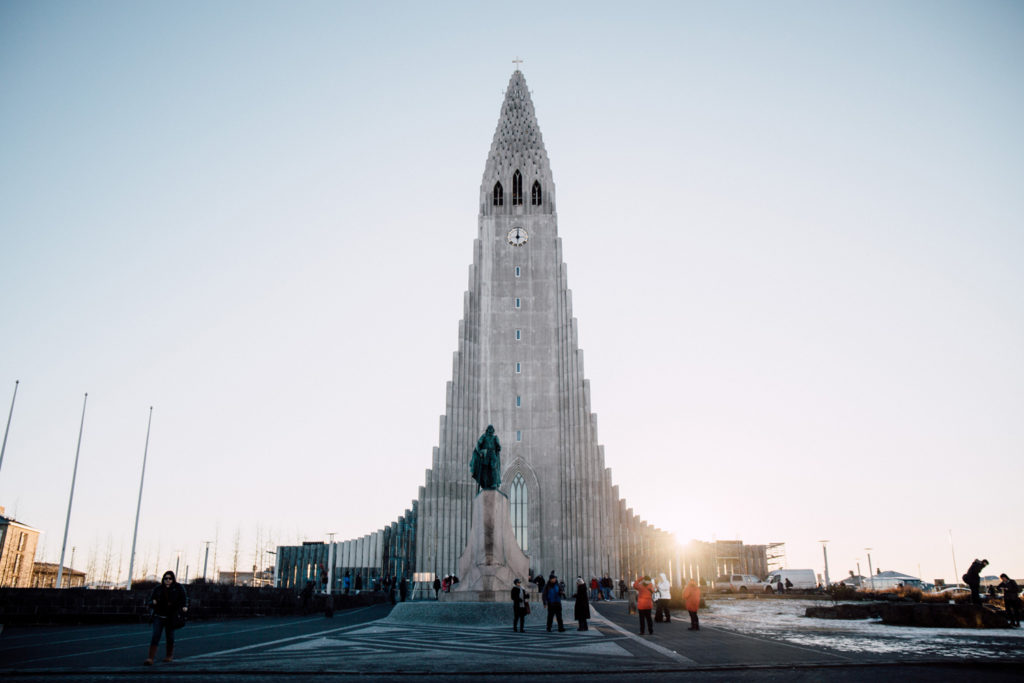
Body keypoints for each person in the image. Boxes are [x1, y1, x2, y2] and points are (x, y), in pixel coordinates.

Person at [144, 570, 188, 665]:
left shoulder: (178, 588)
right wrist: (152, 603)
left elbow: (184, 598)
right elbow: (150, 600)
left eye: (170, 578)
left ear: (173, 579)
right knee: (155, 636)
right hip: (159, 615)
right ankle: (150, 658)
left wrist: (184, 606)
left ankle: (169, 656)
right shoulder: (158, 589)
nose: (168, 580)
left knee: (170, 637)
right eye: (166, 578)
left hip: (171, 616)